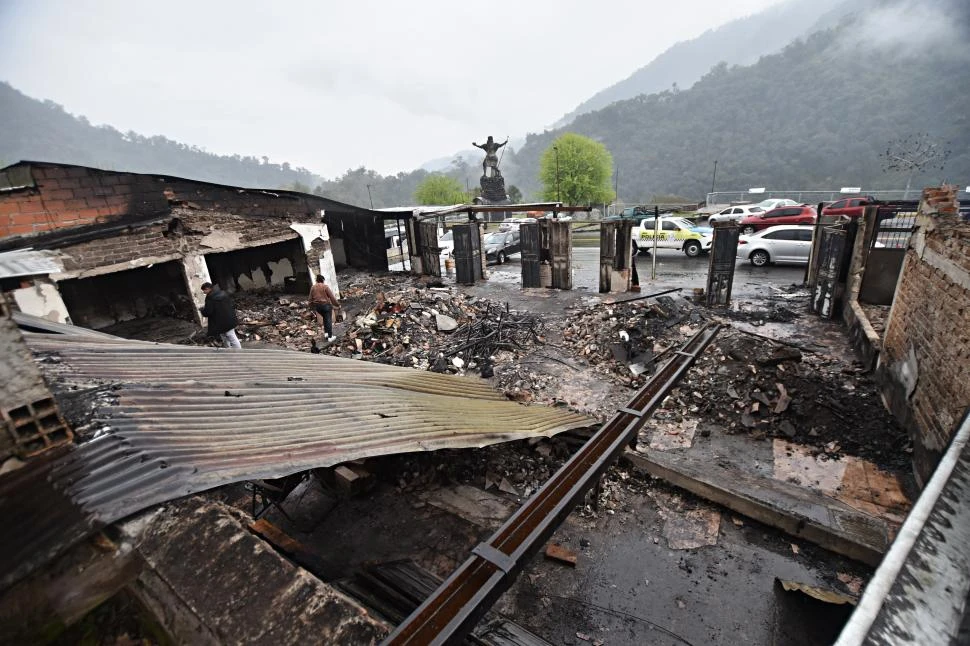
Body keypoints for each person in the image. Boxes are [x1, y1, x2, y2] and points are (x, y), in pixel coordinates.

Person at [199, 282, 241, 349]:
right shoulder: (223, 293)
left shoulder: (210, 298)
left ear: (207, 289)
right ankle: (228, 350)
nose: (204, 292)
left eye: (204, 290)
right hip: (229, 318)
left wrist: (202, 310)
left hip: (220, 321)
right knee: (226, 335)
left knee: (230, 336)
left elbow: (208, 312)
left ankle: (239, 352)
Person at [309, 274, 340, 342]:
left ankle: (326, 333)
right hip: (326, 306)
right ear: (323, 280)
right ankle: (330, 337)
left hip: (318, 307)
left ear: (316, 280)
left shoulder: (313, 287)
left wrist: (311, 308)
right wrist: (337, 304)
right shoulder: (325, 287)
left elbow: (310, 299)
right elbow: (332, 297)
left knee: (325, 319)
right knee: (328, 320)